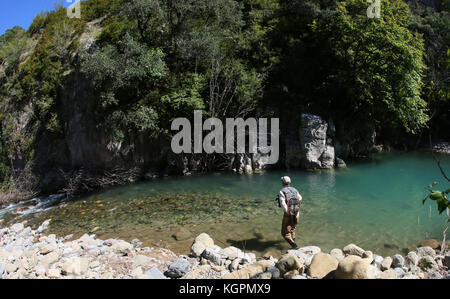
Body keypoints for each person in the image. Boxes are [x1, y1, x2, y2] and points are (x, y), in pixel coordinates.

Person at [277, 176, 302, 248]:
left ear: (282, 182)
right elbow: (300, 198)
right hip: (296, 212)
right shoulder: (295, 190)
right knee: (292, 228)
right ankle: (293, 241)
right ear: (289, 182)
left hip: (288, 213)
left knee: (284, 233)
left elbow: (283, 204)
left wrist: (287, 213)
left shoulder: (282, 191)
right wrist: (297, 211)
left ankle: (294, 245)